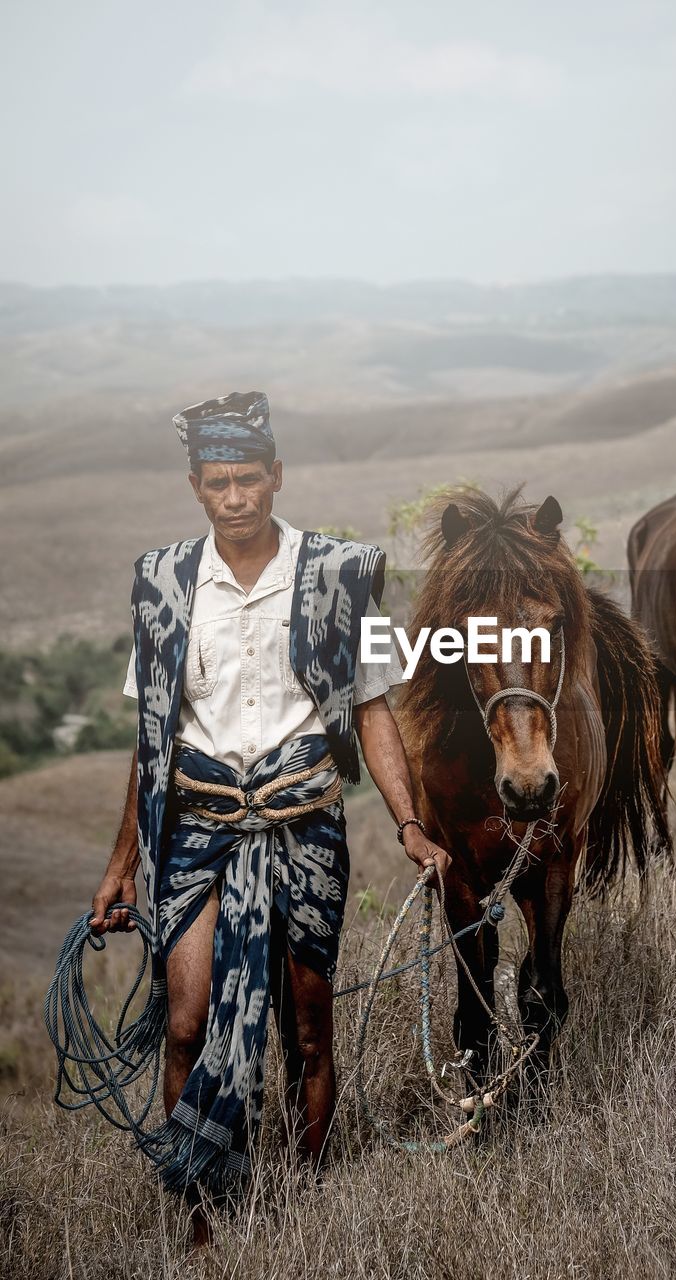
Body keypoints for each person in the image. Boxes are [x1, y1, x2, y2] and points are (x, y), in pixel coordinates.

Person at [88, 391, 449, 1247]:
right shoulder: (161, 583)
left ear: (277, 477)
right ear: (195, 487)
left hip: (305, 826)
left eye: (249, 478)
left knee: (308, 1024)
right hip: (198, 830)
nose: (236, 496)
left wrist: (408, 826)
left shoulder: (343, 575)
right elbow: (152, 736)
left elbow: (373, 709)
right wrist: (120, 862)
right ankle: (198, 1215)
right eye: (218, 482)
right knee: (186, 1018)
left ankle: (307, 1197)